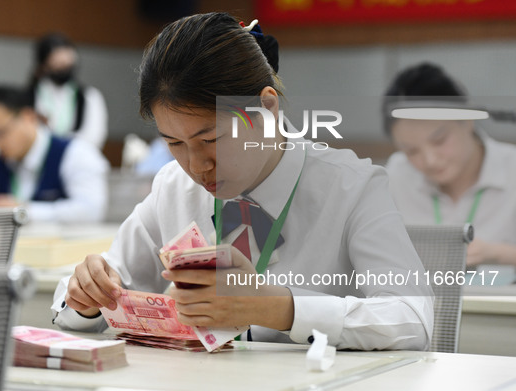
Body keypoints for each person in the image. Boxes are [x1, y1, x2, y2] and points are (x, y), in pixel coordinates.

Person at [52, 12, 433, 350]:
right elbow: (96, 295)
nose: (196, 165)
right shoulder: (173, 188)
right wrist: (86, 296)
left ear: (266, 109)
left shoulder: (352, 187)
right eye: (174, 143)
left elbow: (415, 319)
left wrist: (277, 306)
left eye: (211, 139)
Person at [384, 62, 516, 268]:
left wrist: (498, 254)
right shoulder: (396, 175)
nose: (430, 160)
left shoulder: (512, 169)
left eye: (440, 140)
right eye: (411, 151)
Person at [0, 85, 110, 223]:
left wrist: (26, 211)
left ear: (28, 117)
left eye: (0, 132)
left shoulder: (76, 152)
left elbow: (90, 211)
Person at [28, 33, 108, 149]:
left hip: (78, 161)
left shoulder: (89, 97)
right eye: (58, 64)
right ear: (44, 66)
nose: (64, 69)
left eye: (68, 65)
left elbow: (95, 137)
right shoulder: (30, 96)